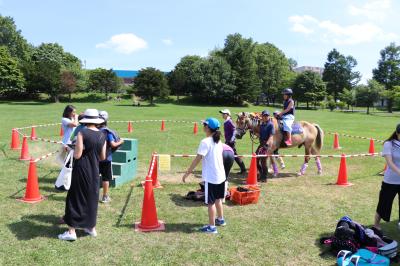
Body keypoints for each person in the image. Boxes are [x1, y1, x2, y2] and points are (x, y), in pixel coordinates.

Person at [58, 109, 106, 241]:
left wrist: (72, 148)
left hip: (81, 169)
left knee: (75, 198)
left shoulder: (82, 132)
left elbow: (78, 155)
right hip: (95, 171)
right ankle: (91, 227)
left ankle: (71, 231)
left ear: (85, 120)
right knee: (91, 198)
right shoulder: (102, 135)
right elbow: (102, 157)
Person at [182, 118, 226, 234]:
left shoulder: (205, 142)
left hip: (212, 177)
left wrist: (187, 173)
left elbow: (198, 159)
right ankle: (220, 220)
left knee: (210, 202)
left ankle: (212, 227)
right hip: (221, 176)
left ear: (207, 127)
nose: (203, 126)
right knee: (218, 199)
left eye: (204, 125)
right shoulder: (218, 141)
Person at [374, 124, 400, 231]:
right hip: (390, 181)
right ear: (397, 133)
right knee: (384, 203)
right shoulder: (388, 144)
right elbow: (389, 163)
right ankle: (376, 224)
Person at [98, 111, 124, 203]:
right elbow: (113, 144)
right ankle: (105, 197)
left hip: (95, 158)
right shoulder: (107, 132)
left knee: (94, 177)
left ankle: (91, 195)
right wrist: (121, 141)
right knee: (105, 178)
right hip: (106, 159)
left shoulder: (94, 130)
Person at [219, 109, 246, 174]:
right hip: (228, 141)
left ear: (228, 114)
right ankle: (243, 169)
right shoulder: (226, 121)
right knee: (234, 156)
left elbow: (234, 130)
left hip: (230, 142)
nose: (222, 115)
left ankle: (243, 169)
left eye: (224, 113)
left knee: (232, 155)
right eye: (222, 113)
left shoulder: (229, 121)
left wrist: (232, 139)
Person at [256, 110, 277, 182]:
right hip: (261, 144)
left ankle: (264, 178)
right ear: (262, 116)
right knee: (255, 159)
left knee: (263, 161)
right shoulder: (262, 125)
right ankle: (261, 174)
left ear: (268, 116)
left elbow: (271, 136)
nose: (265, 117)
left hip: (267, 145)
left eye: (267, 116)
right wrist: (256, 134)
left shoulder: (271, 125)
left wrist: (266, 145)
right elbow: (260, 135)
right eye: (264, 115)